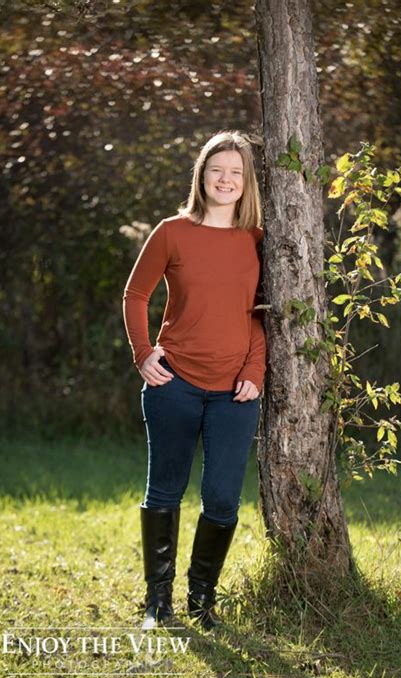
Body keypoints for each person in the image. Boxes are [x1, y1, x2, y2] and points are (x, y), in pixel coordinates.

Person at [122, 129, 266, 631]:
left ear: (247, 182)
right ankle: (157, 603)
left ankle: (202, 602)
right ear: (201, 175)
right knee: (164, 490)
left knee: (224, 498)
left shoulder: (258, 238)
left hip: (235, 393)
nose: (225, 180)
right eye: (216, 170)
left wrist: (254, 369)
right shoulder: (172, 231)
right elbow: (135, 295)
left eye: (236, 173)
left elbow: (260, 314)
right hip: (174, 384)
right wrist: (144, 355)